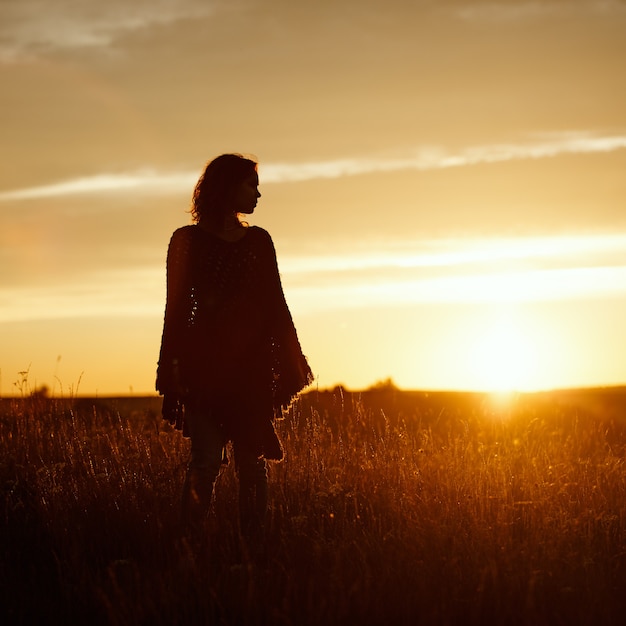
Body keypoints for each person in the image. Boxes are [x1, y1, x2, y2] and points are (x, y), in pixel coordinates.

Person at [156, 153, 313, 548]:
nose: (258, 194)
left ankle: (253, 549)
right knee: (206, 461)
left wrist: (289, 359)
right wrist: (171, 369)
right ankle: (187, 548)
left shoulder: (259, 241)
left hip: (251, 372)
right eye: (251, 184)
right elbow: (176, 311)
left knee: (251, 465)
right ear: (226, 188)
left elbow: (275, 303)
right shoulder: (186, 241)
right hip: (202, 371)